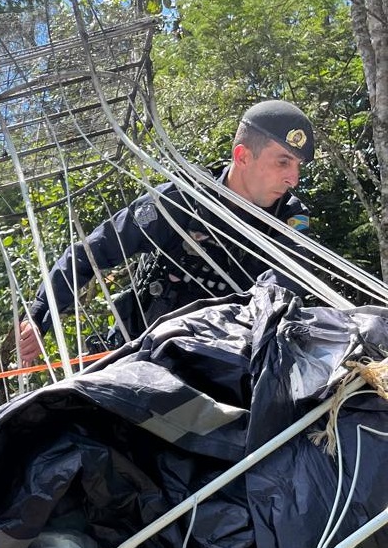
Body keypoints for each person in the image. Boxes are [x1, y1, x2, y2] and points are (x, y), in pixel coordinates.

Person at [18, 99, 315, 364]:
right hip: (140, 357)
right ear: (243, 156)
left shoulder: (289, 217)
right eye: (283, 162)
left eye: (297, 165)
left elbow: (288, 277)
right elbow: (91, 251)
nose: (294, 179)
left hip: (227, 366)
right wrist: (40, 314)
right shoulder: (181, 201)